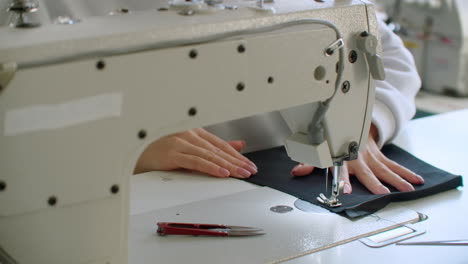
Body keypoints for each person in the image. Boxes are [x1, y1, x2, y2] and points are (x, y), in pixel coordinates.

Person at [134, 18, 424, 195]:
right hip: (160, 188)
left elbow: (390, 57)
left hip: (282, 178)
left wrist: (363, 125)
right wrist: (129, 149)